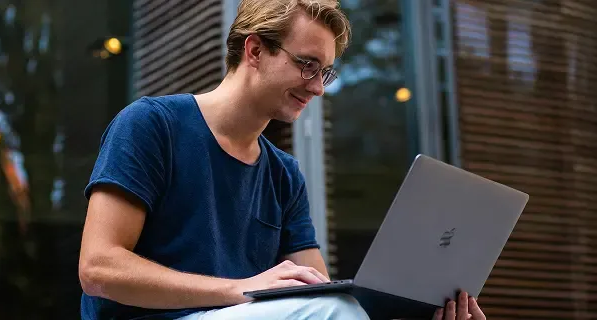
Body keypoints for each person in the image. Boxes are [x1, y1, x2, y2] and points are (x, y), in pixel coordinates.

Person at [78, 0, 487, 319]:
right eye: (307, 65)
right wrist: (241, 288)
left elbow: (318, 291)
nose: (318, 88)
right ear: (254, 50)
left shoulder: (283, 174)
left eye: (325, 73)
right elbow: (98, 269)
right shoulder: (152, 125)